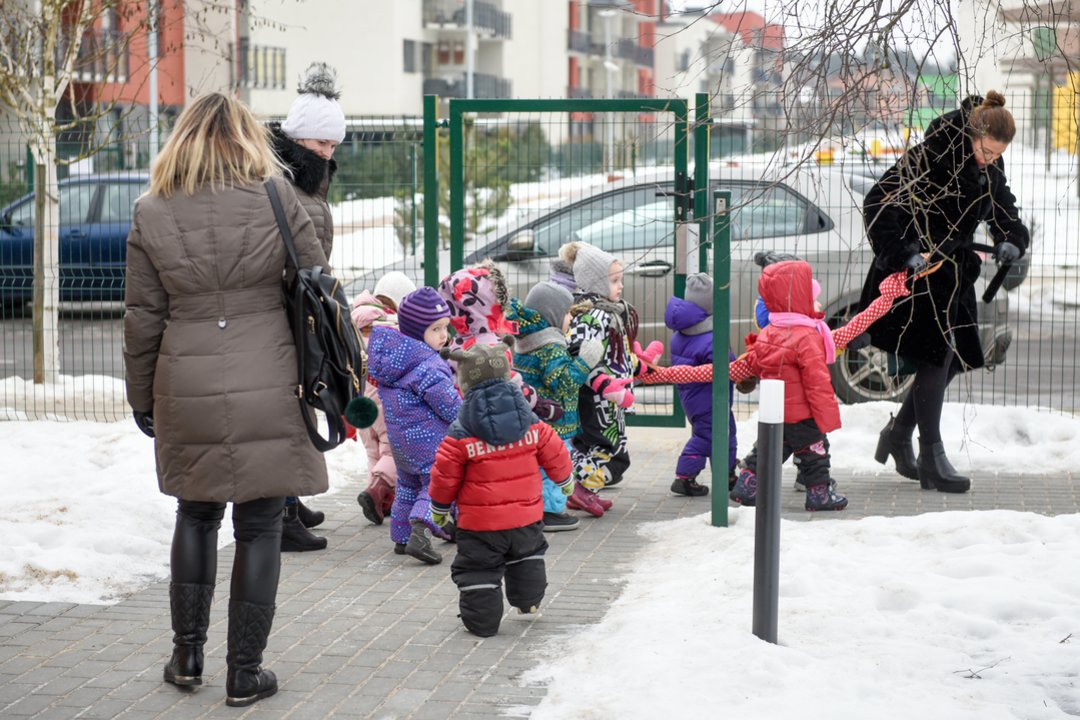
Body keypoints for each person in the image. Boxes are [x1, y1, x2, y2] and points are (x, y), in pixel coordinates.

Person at [124, 92, 329, 707]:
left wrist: (143, 399)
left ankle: (187, 655)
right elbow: (318, 288)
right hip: (271, 373)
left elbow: (142, 318)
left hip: (183, 382)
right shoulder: (278, 197)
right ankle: (246, 671)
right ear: (246, 137)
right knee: (262, 524)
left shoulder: (151, 210)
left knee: (196, 514)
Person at [862, 92, 1029, 494]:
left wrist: (1011, 239)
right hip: (919, 276)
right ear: (972, 135)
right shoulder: (929, 157)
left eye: (995, 154)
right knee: (937, 357)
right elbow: (878, 202)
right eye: (985, 150)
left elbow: (1004, 210)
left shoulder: (987, 168)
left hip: (954, 276)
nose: (989, 159)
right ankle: (931, 455)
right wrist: (904, 253)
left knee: (952, 360)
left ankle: (899, 434)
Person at [727, 261, 911, 511]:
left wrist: (664, 374)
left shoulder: (766, 338)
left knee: (767, 451)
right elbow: (853, 330)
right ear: (797, 302)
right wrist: (886, 296)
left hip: (776, 416)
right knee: (816, 455)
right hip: (804, 416)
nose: (819, 305)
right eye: (813, 300)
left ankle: (746, 487)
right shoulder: (810, 339)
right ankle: (819, 495)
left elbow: (730, 370)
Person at [429, 341, 574, 637]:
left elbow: (445, 474)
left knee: (479, 569)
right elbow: (555, 451)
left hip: (480, 525)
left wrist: (439, 508)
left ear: (465, 384)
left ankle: (482, 623)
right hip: (526, 518)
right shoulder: (531, 423)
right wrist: (565, 480)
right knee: (527, 557)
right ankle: (529, 603)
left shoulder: (461, 432)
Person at [270, 61, 347, 551]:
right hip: (284, 318)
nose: (328, 154)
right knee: (284, 415)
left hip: (302, 316)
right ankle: (278, 512)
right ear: (300, 141)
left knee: (300, 410)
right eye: (321, 145)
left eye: (334, 146)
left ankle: (288, 500)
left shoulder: (306, 186)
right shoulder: (288, 190)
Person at [366, 287, 462, 564]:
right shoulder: (427, 365)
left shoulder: (396, 361)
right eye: (436, 329)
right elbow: (449, 405)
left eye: (445, 327)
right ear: (416, 330)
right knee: (436, 485)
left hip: (401, 441)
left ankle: (402, 537)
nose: (444, 335)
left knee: (408, 486)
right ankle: (420, 534)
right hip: (430, 441)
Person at [508, 280, 606, 526]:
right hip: (555, 421)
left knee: (537, 465)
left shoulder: (528, 340)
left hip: (537, 419)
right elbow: (564, 383)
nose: (570, 319)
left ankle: (534, 507)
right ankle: (550, 511)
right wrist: (585, 362)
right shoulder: (550, 346)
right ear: (552, 315)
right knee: (553, 465)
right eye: (566, 314)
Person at [560, 242, 639, 508]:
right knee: (613, 454)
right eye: (615, 280)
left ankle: (581, 491)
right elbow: (578, 351)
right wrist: (605, 384)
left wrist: (638, 364)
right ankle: (575, 485)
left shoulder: (608, 313)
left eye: (621, 279)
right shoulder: (594, 316)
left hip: (609, 398)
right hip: (597, 398)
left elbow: (616, 354)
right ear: (596, 283)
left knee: (591, 447)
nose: (621, 286)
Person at [663, 273, 737, 497]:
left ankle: (727, 473)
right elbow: (726, 366)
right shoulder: (711, 336)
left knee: (725, 431)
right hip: (709, 398)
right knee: (708, 436)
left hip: (693, 396)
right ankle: (684, 477)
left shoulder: (682, 332)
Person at [350, 289, 399, 525]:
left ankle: (377, 501)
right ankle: (376, 493)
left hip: (361, 408)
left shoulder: (351, 335)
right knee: (391, 453)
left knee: (372, 455)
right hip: (384, 406)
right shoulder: (387, 330)